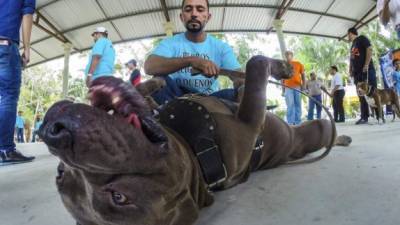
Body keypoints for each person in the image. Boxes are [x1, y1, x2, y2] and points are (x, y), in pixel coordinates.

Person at [144, 0, 241, 105]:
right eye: (188, 9)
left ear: (208, 17)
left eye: (200, 9)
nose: (194, 14)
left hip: (210, 101)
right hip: (176, 98)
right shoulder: (170, 43)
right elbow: (149, 66)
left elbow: (239, 77)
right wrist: (192, 60)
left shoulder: (221, 47)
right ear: (182, 17)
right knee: (159, 81)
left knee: (235, 94)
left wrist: (243, 86)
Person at [0, 0, 36, 165]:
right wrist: (27, 48)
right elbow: (27, 14)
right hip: (4, 44)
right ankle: (6, 150)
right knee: (8, 95)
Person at [348, 27, 377, 125]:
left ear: (351, 33)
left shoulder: (362, 39)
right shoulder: (352, 45)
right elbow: (352, 58)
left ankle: (379, 115)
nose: (347, 37)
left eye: (348, 34)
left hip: (366, 70)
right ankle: (364, 117)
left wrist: (366, 64)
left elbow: (369, 49)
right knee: (360, 95)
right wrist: (350, 69)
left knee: (372, 92)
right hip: (357, 74)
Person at [282, 51, 306, 125]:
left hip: (297, 86)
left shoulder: (298, 64)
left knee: (297, 103)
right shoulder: (283, 65)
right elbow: (282, 78)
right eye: (286, 55)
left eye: (289, 55)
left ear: (292, 56)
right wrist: (283, 89)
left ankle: (298, 121)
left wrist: (304, 85)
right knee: (290, 104)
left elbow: (303, 75)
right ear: (284, 56)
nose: (287, 56)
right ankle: (290, 122)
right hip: (287, 87)